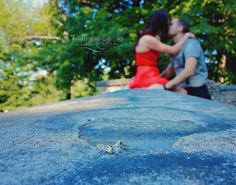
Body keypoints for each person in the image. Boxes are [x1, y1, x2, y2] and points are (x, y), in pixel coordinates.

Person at [128, 10, 194, 93]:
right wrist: (186, 36)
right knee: (182, 92)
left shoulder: (152, 38)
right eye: (169, 23)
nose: (169, 26)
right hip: (147, 75)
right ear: (162, 23)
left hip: (150, 73)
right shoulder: (148, 39)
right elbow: (172, 50)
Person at [162, 18, 211, 99]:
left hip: (197, 92)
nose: (167, 27)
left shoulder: (191, 43)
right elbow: (168, 72)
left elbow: (189, 71)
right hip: (184, 90)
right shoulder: (176, 48)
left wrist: (167, 86)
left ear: (180, 28)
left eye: (171, 24)